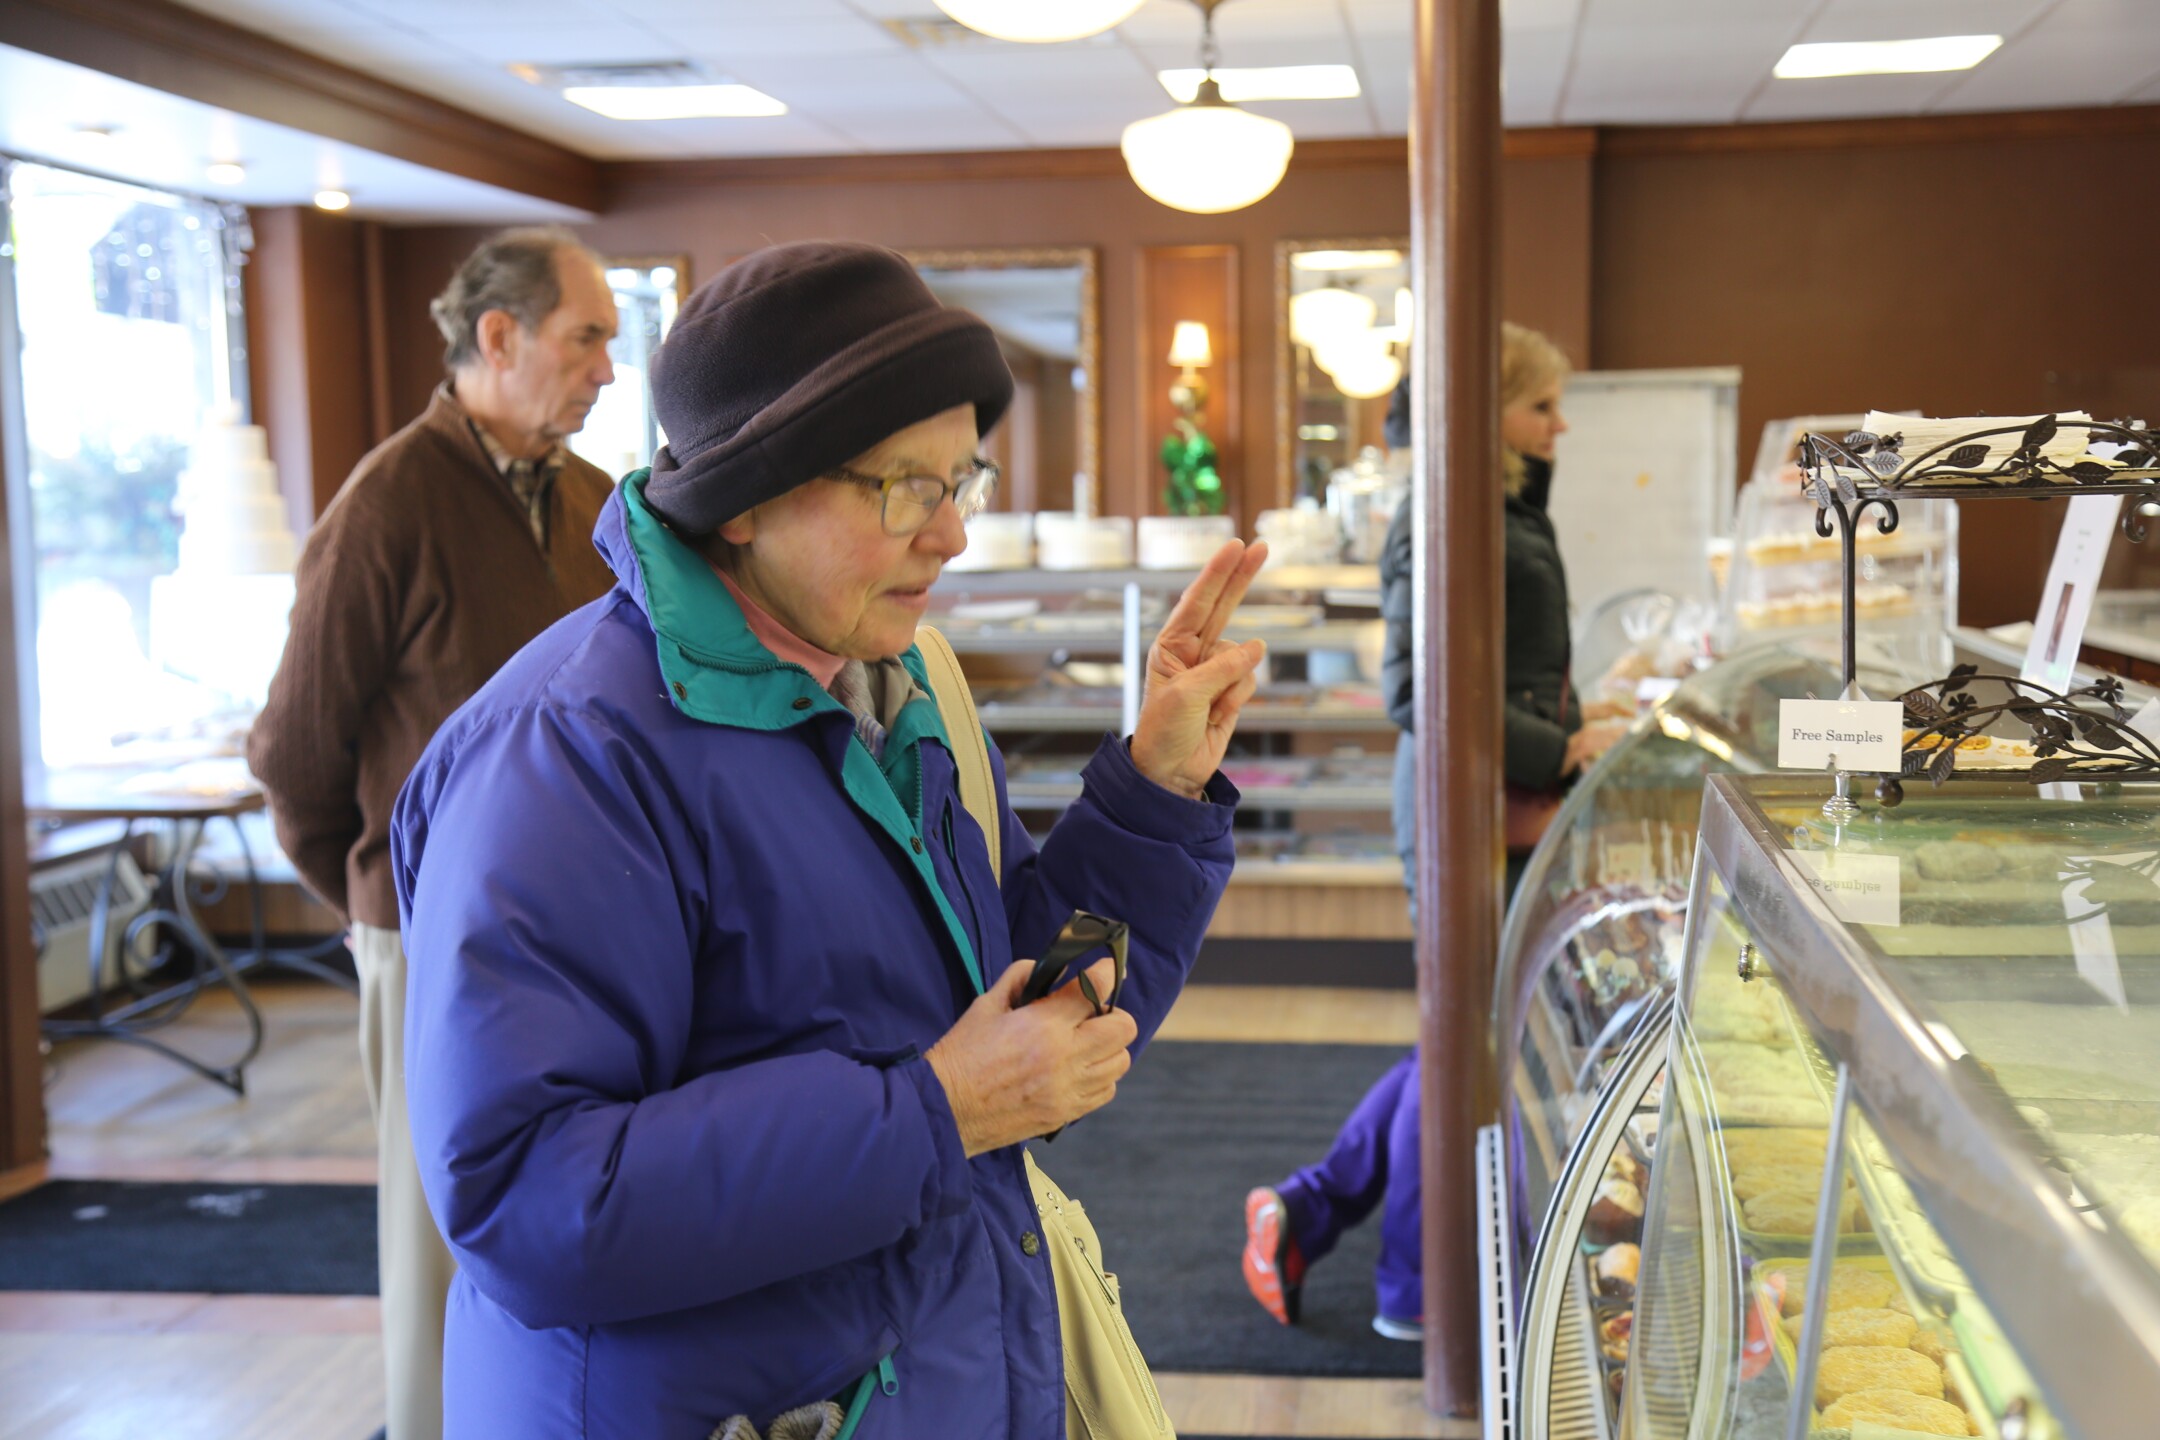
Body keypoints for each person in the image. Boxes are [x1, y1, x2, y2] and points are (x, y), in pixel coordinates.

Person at [390, 241, 1272, 1438]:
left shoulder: (893, 691)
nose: (952, 534)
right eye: (905, 487)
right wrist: (934, 1111)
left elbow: (1017, 1008)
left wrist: (1156, 795)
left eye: (962, 479)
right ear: (744, 499)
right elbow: (532, 1203)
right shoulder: (565, 756)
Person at [248, 226, 621, 1440]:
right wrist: (386, 911)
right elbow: (297, 756)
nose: (607, 371)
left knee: (577, 1230)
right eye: (587, 339)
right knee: (435, 1246)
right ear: (497, 337)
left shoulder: (594, 502)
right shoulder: (386, 504)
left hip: (599, 935)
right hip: (433, 942)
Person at [1242, 321, 1627, 1341]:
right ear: (1484, 410)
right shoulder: (1449, 517)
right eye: (1541, 405)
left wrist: (1573, 730)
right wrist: (1561, 749)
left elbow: (1510, 667)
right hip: (1468, 810)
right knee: (1464, 1045)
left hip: (1501, 801)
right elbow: (1422, 690)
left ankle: (1309, 1210)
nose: (1561, 424)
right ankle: (1411, 1288)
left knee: (1459, 1040)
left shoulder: (1500, 510)